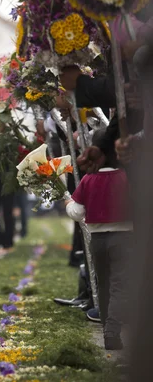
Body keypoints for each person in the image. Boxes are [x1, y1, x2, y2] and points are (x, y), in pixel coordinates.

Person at [65, 133, 132, 351]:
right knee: (120, 285)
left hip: (97, 239)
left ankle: (106, 329)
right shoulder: (127, 177)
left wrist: (67, 202)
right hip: (123, 237)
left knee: (102, 284)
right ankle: (113, 330)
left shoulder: (88, 179)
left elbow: (76, 212)